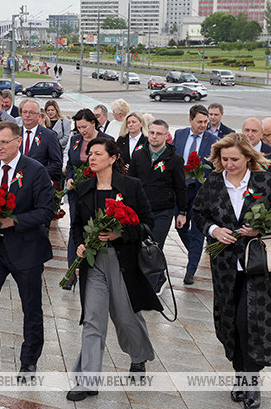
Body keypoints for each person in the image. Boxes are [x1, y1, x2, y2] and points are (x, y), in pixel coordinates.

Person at [192, 133, 271, 409]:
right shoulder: (212, 183)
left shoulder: (264, 182)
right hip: (224, 268)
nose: (229, 164)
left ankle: (252, 384)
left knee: (250, 323)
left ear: (248, 157)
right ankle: (239, 374)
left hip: (256, 266)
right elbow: (199, 213)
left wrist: (262, 228)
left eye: (234, 159)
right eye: (224, 159)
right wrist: (214, 230)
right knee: (230, 323)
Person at [66, 137, 160, 402]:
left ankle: (139, 356)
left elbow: (147, 222)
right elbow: (76, 226)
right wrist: (81, 245)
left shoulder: (131, 186)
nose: (91, 158)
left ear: (113, 158)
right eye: (89, 153)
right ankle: (87, 380)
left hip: (123, 262)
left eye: (97, 153)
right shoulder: (84, 188)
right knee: (93, 319)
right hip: (93, 264)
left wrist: (120, 234)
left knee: (125, 317)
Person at [0, 121, 55, 384]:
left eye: (4, 142)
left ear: (18, 142)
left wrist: (13, 221)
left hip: (27, 249)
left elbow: (45, 211)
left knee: (30, 308)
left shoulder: (36, 171)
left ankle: (29, 362)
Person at [128, 119, 187, 294]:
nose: (154, 137)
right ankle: (159, 276)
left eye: (159, 133)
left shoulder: (175, 160)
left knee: (153, 247)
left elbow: (180, 187)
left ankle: (147, 291)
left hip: (163, 211)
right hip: (140, 210)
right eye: (152, 133)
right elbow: (131, 181)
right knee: (138, 246)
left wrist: (182, 212)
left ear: (166, 136)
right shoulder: (139, 155)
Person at [62, 109, 112, 290]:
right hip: (77, 193)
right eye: (78, 127)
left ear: (94, 123)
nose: (82, 131)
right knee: (75, 228)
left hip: (97, 192)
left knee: (94, 230)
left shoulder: (106, 140)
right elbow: (70, 164)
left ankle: (93, 270)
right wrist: (69, 177)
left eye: (84, 126)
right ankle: (70, 273)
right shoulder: (75, 140)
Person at [173, 104, 218, 285]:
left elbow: (217, 166)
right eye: (199, 121)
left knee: (198, 231)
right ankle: (195, 252)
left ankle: (190, 270)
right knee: (180, 227)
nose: (203, 125)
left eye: (206, 122)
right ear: (190, 120)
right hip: (181, 190)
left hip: (201, 191)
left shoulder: (213, 140)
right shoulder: (180, 134)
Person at [19, 98, 63, 181]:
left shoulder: (49, 135)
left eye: (31, 112)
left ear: (39, 116)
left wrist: (37, 173)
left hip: (38, 182)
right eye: (24, 112)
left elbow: (56, 163)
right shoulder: (15, 133)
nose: (27, 115)